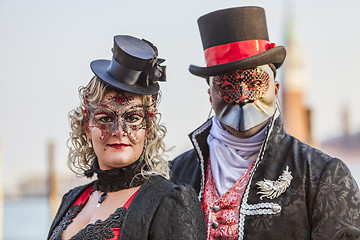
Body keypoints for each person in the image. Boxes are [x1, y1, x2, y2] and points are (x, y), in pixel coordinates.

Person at [171, 6, 360, 239]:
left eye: (254, 83)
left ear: (276, 89)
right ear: (211, 96)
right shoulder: (174, 175)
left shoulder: (322, 175)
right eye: (228, 86)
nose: (243, 95)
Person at [47, 35, 206, 240]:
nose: (119, 131)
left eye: (132, 118)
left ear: (147, 127)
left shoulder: (169, 201)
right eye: (105, 117)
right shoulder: (72, 199)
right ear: (87, 125)